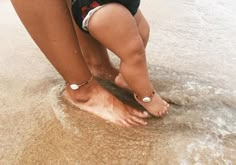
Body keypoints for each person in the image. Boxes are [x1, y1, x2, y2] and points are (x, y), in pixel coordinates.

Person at [11, 0, 169, 127]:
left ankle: (99, 66)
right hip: (99, 8)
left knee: (141, 33)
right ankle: (84, 90)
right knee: (133, 52)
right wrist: (147, 95)